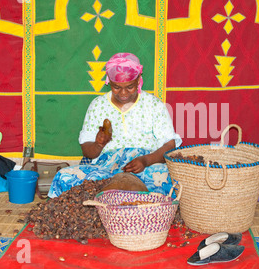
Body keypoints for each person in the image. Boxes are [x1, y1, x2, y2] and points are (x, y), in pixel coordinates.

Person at [48, 53, 182, 198]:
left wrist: (145, 160)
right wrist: (99, 144)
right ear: (109, 81)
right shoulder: (98, 105)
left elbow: (170, 145)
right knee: (64, 177)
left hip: (146, 168)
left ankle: (116, 202)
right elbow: (88, 152)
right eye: (116, 87)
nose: (123, 93)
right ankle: (119, 201)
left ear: (138, 80)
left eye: (130, 87)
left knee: (171, 181)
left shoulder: (154, 105)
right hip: (106, 169)